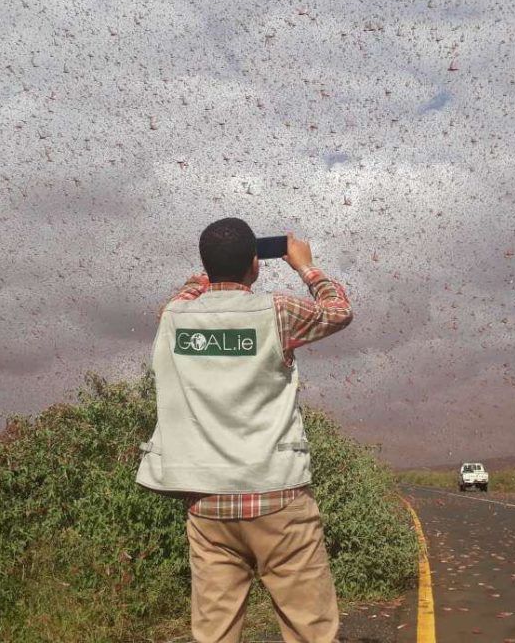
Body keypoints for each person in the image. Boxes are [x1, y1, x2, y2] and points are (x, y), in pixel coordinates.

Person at [136, 217, 354, 643]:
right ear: (256, 265)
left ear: (206, 265)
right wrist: (305, 266)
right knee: (310, 629)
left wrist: (207, 273)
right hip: (278, 497)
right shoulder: (277, 310)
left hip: (206, 504)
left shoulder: (173, 317)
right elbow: (339, 311)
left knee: (214, 634)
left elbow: (188, 291)